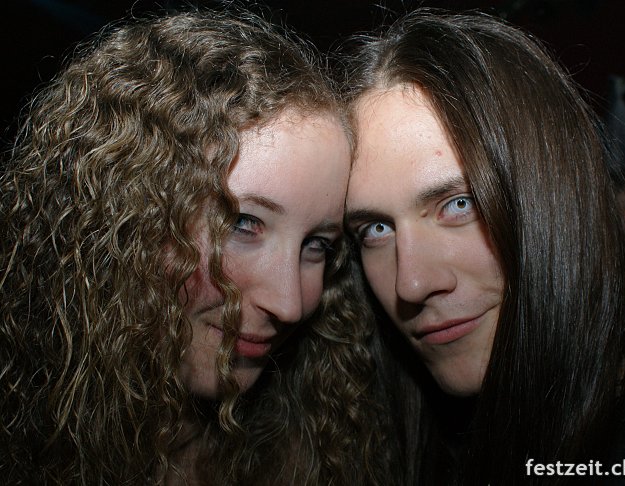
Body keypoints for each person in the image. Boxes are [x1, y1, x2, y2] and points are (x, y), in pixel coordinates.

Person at [0, 8, 395, 485]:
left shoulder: (316, 453)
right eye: (242, 223)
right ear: (127, 219)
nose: (289, 304)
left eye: (317, 245)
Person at [343, 10, 625, 485]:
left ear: (555, 196)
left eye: (459, 204)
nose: (411, 284)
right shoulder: (379, 447)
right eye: (376, 230)